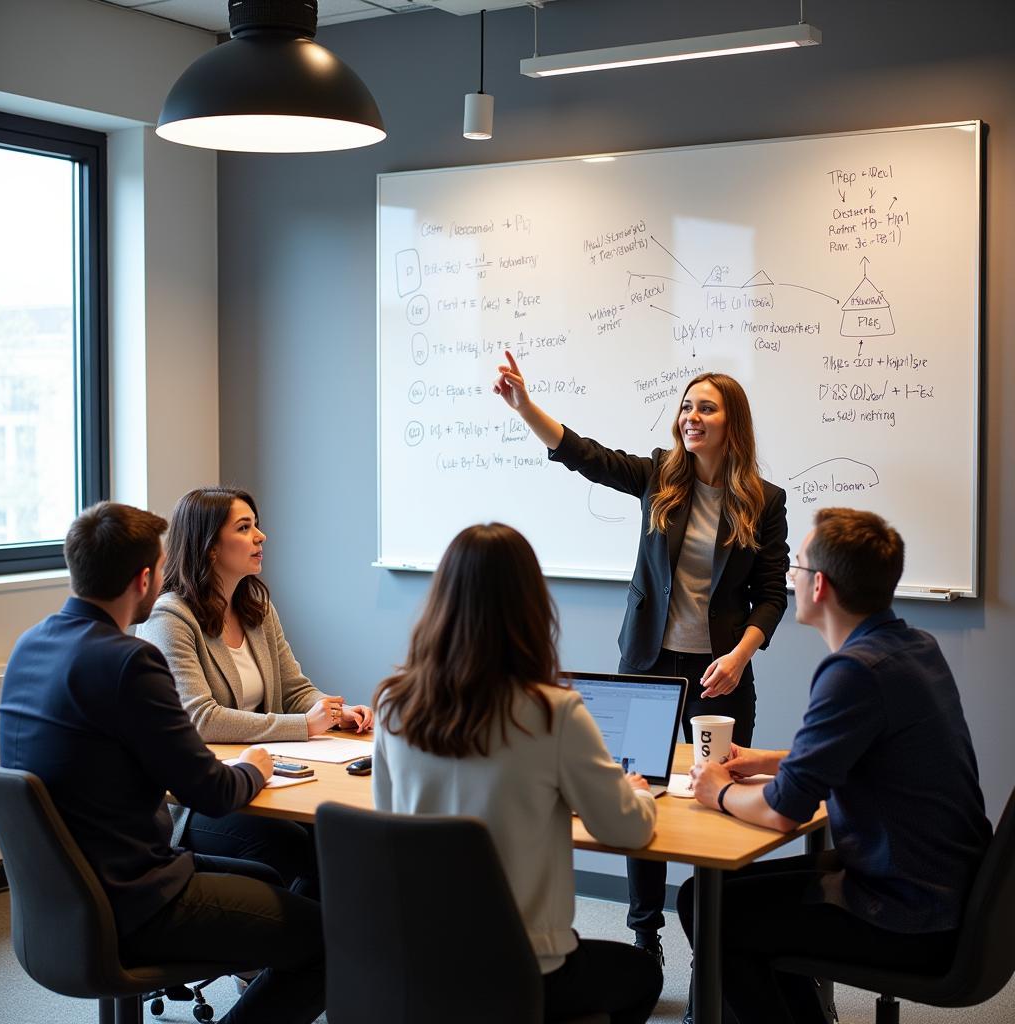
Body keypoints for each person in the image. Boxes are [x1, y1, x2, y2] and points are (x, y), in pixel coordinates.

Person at [494, 351, 789, 964]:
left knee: (725, 797)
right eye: (686, 406)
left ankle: (717, 945)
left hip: (721, 672)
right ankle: (645, 934)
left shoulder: (765, 500)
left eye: (706, 407)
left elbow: (770, 593)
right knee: (642, 791)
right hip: (650, 665)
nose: (691, 416)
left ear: (732, 422)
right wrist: (526, 409)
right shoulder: (661, 476)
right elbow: (585, 455)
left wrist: (738, 656)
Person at [0, 502, 324, 1024]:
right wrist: (256, 767)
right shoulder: (128, 661)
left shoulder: (31, 645)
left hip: (62, 899)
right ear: (145, 578)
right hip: (135, 900)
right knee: (328, 940)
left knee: (269, 873)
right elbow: (211, 793)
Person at [681, 507, 992, 1024]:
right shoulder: (912, 647)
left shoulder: (853, 671)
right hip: (944, 889)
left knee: (713, 913)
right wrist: (764, 760)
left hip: (907, 912)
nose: (788, 577)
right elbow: (863, 753)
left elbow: (784, 812)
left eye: (796, 567)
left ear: (819, 586)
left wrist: (715, 790)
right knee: (710, 897)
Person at [372, 523, 664, 1024]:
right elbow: (627, 828)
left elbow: (388, 822)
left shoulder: (395, 705)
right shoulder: (553, 712)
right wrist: (637, 794)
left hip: (424, 963)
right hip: (527, 971)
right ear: (532, 607)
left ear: (441, 601)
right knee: (643, 974)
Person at [138, 486, 373, 896]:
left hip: (268, 778)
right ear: (210, 547)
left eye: (256, 526)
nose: (260, 536)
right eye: (245, 528)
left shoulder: (255, 607)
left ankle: (311, 954)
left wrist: (333, 710)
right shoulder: (170, 616)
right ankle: (294, 956)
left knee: (341, 840)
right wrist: (303, 725)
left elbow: (294, 687)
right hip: (201, 801)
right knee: (306, 852)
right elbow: (201, 719)